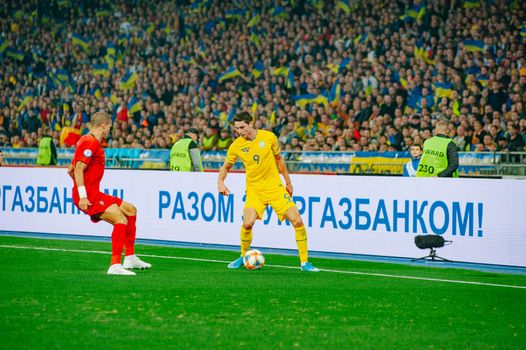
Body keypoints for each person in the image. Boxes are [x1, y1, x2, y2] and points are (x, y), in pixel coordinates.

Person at [217, 112, 319, 272]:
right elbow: (225, 167)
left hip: (275, 188)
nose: (239, 131)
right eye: (237, 128)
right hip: (254, 190)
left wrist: (288, 182)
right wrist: (220, 182)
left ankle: (305, 263)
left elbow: (279, 160)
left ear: (251, 123)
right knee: (247, 223)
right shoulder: (236, 146)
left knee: (297, 221)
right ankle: (243, 256)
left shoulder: (269, 137)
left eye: (242, 127)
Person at [68, 111, 151, 275]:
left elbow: (71, 169)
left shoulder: (88, 141)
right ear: (103, 125)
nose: (110, 130)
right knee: (120, 219)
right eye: (109, 127)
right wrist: (83, 195)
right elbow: (78, 169)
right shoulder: (90, 142)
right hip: (89, 195)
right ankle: (114, 265)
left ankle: (130, 257)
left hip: (93, 193)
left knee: (130, 210)